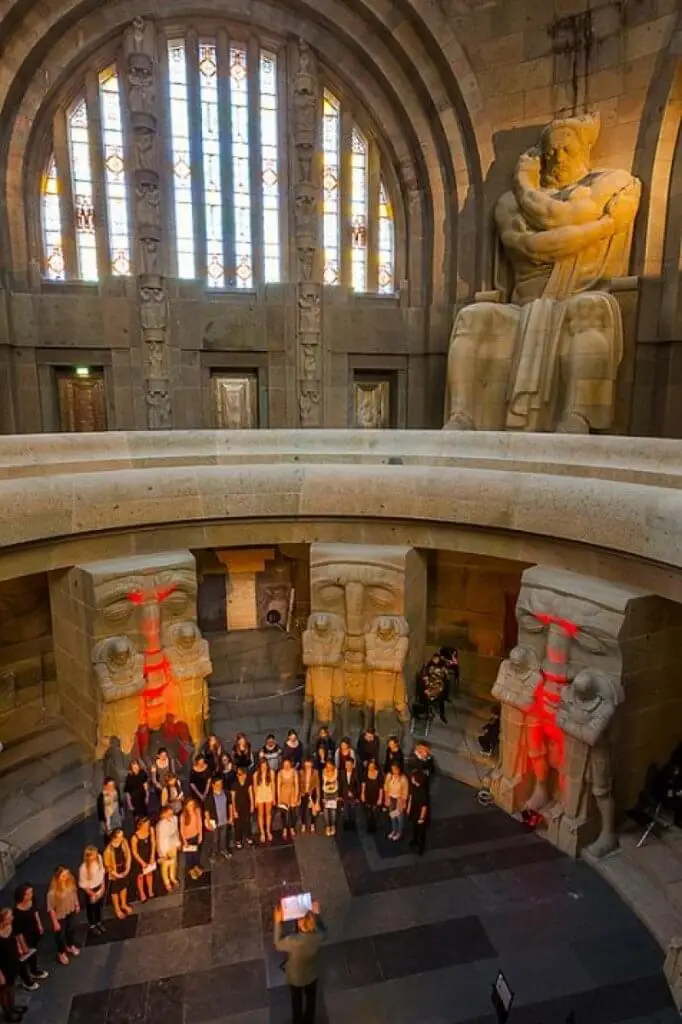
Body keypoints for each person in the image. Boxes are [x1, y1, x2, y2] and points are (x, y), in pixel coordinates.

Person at [273, 900, 325, 1024]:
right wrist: (317, 914)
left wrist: (277, 922)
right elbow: (323, 929)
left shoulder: (293, 941)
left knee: (297, 1001)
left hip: (296, 977)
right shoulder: (319, 936)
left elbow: (277, 943)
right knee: (311, 998)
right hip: (312, 974)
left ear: (301, 926)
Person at [11, 886, 48, 985]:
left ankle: (34, 970)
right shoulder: (16, 913)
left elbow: (35, 912)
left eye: (31, 893)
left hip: (33, 932)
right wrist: (21, 944)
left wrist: (39, 925)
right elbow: (17, 932)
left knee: (33, 952)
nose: (30, 895)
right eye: (27, 894)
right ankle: (26, 979)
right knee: (24, 957)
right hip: (23, 936)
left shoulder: (32, 902)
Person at [46, 867, 81, 964]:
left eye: (67, 875)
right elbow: (51, 909)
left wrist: (77, 903)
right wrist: (55, 922)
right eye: (63, 876)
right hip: (59, 915)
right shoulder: (52, 893)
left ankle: (70, 945)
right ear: (58, 878)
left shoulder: (71, 883)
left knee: (70, 929)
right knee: (59, 935)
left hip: (70, 910)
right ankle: (61, 952)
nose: (66, 877)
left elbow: (74, 893)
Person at [0, 908, 28, 1020]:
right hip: (2, 967)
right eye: (9, 917)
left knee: (11, 987)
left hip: (12, 962)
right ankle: (8, 1013)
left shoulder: (10, 927)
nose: (12, 918)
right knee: (3, 991)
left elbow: (15, 940)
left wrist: (20, 949)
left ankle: (12, 1006)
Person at [103, 829, 133, 920]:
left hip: (123, 867)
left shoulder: (124, 842)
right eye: (120, 837)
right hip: (114, 872)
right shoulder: (108, 850)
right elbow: (107, 866)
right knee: (115, 891)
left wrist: (127, 868)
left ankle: (123, 903)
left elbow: (128, 854)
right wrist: (117, 874)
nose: (122, 838)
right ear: (114, 838)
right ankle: (117, 909)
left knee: (124, 886)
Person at [77, 847, 106, 934]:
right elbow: (82, 884)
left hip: (99, 886)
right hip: (90, 890)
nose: (96, 855)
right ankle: (92, 925)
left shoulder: (99, 858)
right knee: (91, 908)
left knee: (98, 907)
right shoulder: (83, 868)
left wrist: (103, 886)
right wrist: (92, 894)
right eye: (94, 854)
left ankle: (98, 922)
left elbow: (102, 872)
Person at [203, 776, 232, 861]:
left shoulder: (226, 793)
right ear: (213, 785)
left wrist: (230, 816)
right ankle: (214, 854)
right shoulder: (210, 797)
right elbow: (207, 811)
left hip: (224, 821)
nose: (220, 786)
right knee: (215, 839)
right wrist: (208, 822)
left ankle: (223, 850)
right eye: (218, 784)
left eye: (221, 784)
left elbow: (230, 805)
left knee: (223, 837)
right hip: (215, 822)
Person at [131, 817, 157, 903]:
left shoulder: (151, 829)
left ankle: (150, 890)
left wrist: (152, 856)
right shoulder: (134, 837)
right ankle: (142, 893)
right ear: (140, 825)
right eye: (146, 825)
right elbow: (134, 852)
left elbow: (153, 842)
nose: (147, 826)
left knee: (149, 873)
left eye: (148, 824)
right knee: (140, 876)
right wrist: (142, 863)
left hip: (148, 855)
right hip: (139, 859)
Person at [156, 805, 181, 892]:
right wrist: (161, 852)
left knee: (173, 863)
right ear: (163, 814)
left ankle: (172, 877)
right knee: (165, 865)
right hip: (164, 846)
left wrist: (178, 843)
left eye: (171, 813)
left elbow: (176, 831)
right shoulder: (160, 824)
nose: (171, 815)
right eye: (168, 813)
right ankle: (166, 882)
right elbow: (158, 839)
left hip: (173, 844)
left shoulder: (174, 819)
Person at [180, 798, 204, 880]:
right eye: (189, 805)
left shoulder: (197, 810)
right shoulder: (183, 815)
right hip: (188, 838)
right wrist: (184, 841)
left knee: (196, 854)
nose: (191, 807)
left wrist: (200, 835)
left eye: (192, 805)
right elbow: (181, 830)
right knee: (189, 856)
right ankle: (191, 870)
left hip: (196, 836)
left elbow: (200, 823)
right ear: (186, 806)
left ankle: (196, 868)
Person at [384, 762, 409, 841]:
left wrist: (403, 802)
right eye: (392, 769)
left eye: (395, 769)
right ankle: (394, 830)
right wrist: (386, 798)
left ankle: (399, 832)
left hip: (399, 799)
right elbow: (386, 787)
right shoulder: (389, 776)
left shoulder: (403, 778)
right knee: (392, 816)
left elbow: (405, 791)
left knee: (399, 817)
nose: (394, 771)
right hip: (391, 798)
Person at [277, 757, 300, 841]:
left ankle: (292, 827)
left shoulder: (294, 772)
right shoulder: (280, 773)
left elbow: (297, 785)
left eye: (288, 764)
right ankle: (285, 829)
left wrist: (296, 796)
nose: (286, 766)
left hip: (292, 793)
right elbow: (278, 786)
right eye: (285, 764)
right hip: (283, 794)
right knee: (283, 814)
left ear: (290, 764)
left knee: (293, 813)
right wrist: (279, 798)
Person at [408, 769, 430, 855]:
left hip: (420, 813)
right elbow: (411, 796)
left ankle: (421, 848)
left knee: (422, 831)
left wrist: (422, 817)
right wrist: (409, 808)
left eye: (413, 777)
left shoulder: (423, 791)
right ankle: (414, 840)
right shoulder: (414, 787)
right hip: (414, 810)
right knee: (415, 828)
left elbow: (424, 806)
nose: (411, 778)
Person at [253, 759, 276, 843]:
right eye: (262, 766)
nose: (264, 767)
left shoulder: (271, 773)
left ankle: (268, 831)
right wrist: (255, 799)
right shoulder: (256, 775)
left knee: (268, 814)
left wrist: (274, 798)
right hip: (260, 796)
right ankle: (262, 833)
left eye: (265, 765)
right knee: (260, 814)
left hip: (269, 795)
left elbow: (273, 785)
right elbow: (255, 788)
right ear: (259, 766)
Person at [231, 766, 254, 849]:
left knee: (247, 822)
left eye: (240, 774)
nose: (238, 775)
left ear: (245, 775)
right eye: (237, 774)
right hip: (238, 807)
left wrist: (252, 804)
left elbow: (251, 794)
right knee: (238, 825)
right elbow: (232, 798)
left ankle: (248, 837)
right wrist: (234, 810)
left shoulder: (248, 783)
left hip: (246, 806)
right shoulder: (234, 784)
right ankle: (238, 840)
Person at [361, 760, 384, 833]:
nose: (371, 768)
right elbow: (363, 785)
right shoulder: (365, 773)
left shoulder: (379, 774)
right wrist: (362, 794)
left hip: (376, 795)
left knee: (375, 812)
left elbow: (381, 787)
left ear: (375, 766)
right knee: (367, 812)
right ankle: (369, 826)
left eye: (372, 766)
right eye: (370, 766)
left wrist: (380, 798)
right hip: (367, 795)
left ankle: (374, 827)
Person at [338, 756, 360, 830]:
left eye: (349, 765)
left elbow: (358, 786)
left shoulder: (356, 773)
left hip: (353, 796)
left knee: (353, 811)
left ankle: (353, 825)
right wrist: (339, 795)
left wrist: (355, 795)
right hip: (344, 795)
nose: (348, 766)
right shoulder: (342, 772)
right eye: (346, 764)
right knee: (345, 811)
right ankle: (346, 825)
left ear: (353, 765)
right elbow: (340, 784)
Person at [299, 758, 320, 834]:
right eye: (306, 765)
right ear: (304, 765)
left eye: (309, 765)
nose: (308, 766)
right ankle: (303, 824)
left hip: (312, 793)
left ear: (312, 764)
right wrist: (301, 792)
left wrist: (318, 797)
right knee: (303, 810)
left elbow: (317, 785)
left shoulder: (315, 772)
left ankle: (312, 824)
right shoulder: (301, 772)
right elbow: (299, 784)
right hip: (304, 793)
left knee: (312, 810)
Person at [321, 761, 339, 837]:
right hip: (326, 792)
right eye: (327, 766)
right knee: (326, 810)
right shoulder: (323, 771)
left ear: (333, 766)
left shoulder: (336, 771)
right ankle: (328, 826)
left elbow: (337, 782)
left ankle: (333, 825)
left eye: (330, 766)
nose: (329, 768)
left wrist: (338, 795)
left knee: (333, 811)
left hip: (334, 792)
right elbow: (323, 782)